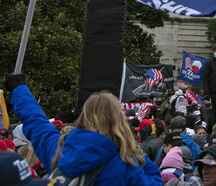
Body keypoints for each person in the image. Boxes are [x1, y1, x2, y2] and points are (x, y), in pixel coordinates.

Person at [5, 73, 161, 184]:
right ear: (119, 122)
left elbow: (37, 123)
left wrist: (19, 89)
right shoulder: (127, 166)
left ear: (84, 117)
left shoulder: (60, 149)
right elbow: (154, 182)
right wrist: (136, 152)